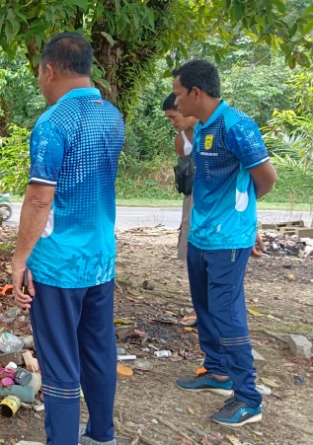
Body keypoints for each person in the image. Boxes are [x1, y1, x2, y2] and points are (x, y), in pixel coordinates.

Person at [11, 33, 124, 445]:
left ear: (49, 70)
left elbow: (40, 197)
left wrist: (20, 258)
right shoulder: (111, 115)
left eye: (39, 75)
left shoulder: (53, 122)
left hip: (58, 265)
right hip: (100, 258)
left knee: (59, 361)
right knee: (98, 348)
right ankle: (101, 434)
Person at [171, 60, 277, 427]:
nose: (176, 101)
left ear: (196, 93)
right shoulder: (202, 127)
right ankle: (216, 370)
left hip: (227, 239)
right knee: (204, 306)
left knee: (227, 313)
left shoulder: (238, 126)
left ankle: (248, 398)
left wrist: (242, 218)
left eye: (180, 93)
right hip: (201, 234)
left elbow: (266, 178)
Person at [163, 93, 198, 260]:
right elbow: (185, 168)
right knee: (188, 224)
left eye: (173, 117)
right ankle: (187, 258)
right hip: (192, 192)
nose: (172, 123)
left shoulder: (210, 129)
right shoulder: (180, 140)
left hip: (213, 191)